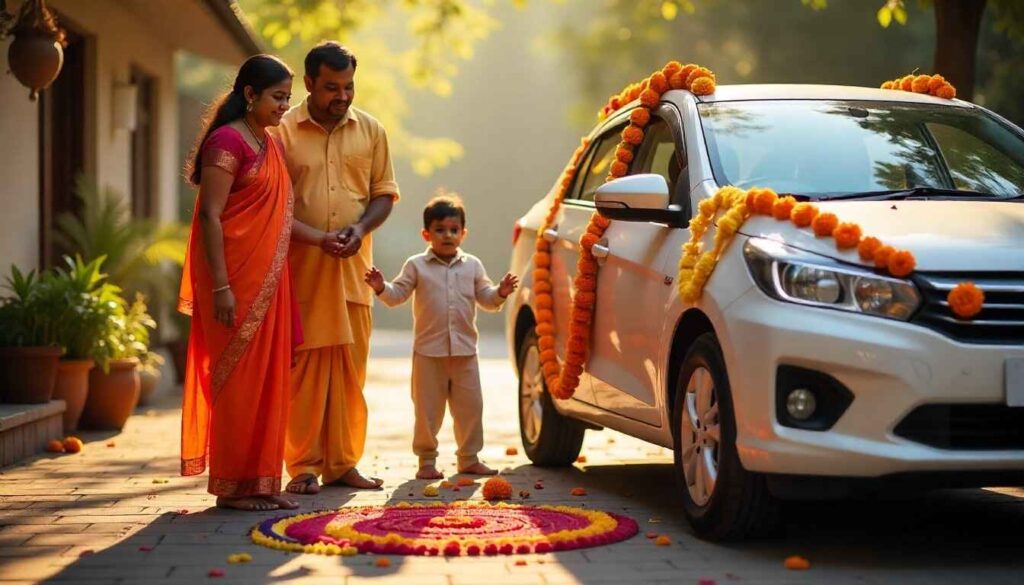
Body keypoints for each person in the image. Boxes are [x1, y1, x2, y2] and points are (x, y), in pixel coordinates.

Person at [179, 54, 350, 512]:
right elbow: (212, 216)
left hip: (270, 282)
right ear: (249, 94)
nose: (284, 107)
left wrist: (322, 240)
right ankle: (233, 486)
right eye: (277, 97)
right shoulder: (227, 142)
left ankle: (260, 480)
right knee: (238, 382)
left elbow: (281, 219)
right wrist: (219, 287)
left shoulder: (268, 144)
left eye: (288, 98)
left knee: (270, 381)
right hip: (231, 281)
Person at [274, 42, 400, 494]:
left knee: (351, 374)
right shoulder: (283, 132)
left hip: (353, 272)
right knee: (303, 375)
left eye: (348, 86)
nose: (342, 96)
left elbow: (384, 194)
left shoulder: (371, 130)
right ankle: (303, 467)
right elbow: (272, 205)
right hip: (301, 273)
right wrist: (319, 237)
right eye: (331, 87)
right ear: (308, 83)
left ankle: (344, 465)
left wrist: (361, 228)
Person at [364, 194, 518, 480]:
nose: (447, 235)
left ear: (463, 233)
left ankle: (469, 458)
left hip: (465, 353)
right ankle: (426, 461)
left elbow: (485, 298)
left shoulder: (473, 265)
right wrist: (380, 286)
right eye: (440, 230)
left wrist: (501, 292)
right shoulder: (416, 266)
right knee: (427, 411)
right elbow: (397, 295)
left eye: (453, 230)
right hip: (428, 354)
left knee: (471, 408)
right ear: (426, 233)